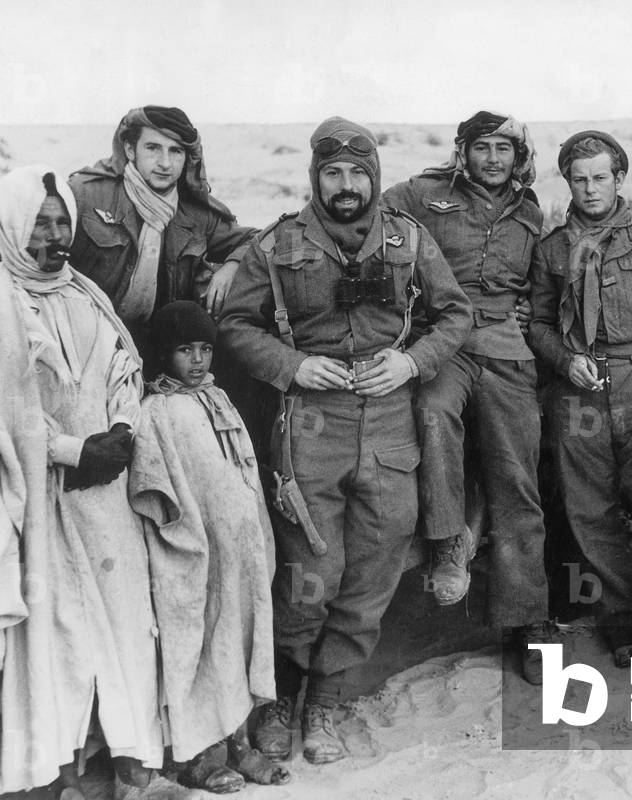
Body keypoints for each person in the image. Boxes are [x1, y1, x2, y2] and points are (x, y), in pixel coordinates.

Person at [219, 117, 472, 764]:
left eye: (358, 173)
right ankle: (282, 697)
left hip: (389, 425)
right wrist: (291, 366)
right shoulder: (278, 245)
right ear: (315, 177)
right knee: (309, 575)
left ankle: (326, 704)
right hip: (312, 426)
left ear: (374, 177)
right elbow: (236, 324)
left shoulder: (407, 238)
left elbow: (455, 315)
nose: (347, 185)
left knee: (370, 576)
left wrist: (412, 363)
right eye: (333, 173)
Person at [0, 165, 189, 799]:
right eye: (39, 224)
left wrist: (119, 432)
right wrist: (69, 449)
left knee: (128, 623)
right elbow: (11, 412)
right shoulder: (4, 300)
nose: (51, 238)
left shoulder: (83, 294)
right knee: (55, 632)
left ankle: (135, 760)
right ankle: (52, 770)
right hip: (43, 495)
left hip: (104, 488)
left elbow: (120, 367)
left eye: (61, 224)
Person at [382, 110, 550, 671]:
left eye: (504, 148)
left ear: (517, 155)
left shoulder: (530, 210)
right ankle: (449, 543)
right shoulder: (419, 193)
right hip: (444, 341)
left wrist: (531, 310)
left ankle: (526, 619)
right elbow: (360, 224)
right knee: (432, 414)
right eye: (482, 147)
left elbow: (542, 283)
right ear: (463, 151)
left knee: (517, 475)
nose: (493, 159)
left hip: (507, 348)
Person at [528, 130, 632, 665]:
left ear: (619, 179)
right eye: (579, 180)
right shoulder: (553, 250)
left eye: (600, 178)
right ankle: (620, 623)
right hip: (577, 395)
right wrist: (562, 359)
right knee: (591, 515)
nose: (590, 189)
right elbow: (536, 321)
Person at [128, 301, 289, 791]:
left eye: (204, 349)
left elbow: (241, 472)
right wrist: (188, 543)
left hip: (241, 554)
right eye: (184, 350)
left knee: (239, 643)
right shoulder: (157, 411)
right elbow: (155, 492)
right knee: (199, 649)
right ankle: (201, 755)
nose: (197, 360)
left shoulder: (217, 398)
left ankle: (241, 744)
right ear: (163, 354)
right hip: (196, 557)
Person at [67, 106, 256, 372]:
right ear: (130, 150)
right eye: (153, 148)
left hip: (157, 349)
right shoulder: (85, 195)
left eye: (175, 151)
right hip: (88, 343)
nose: (165, 163)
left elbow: (259, 240)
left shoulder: (196, 213)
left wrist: (231, 265)